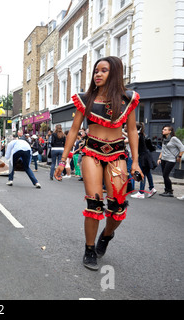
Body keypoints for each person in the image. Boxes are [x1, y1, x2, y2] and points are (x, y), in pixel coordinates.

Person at [54, 56, 142, 271]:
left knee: (118, 207)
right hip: (91, 152)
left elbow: (131, 131)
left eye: (103, 70)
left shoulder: (127, 100)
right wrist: (63, 160)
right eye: (96, 71)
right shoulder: (86, 99)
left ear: (115, 73)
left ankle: (106, 235)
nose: (98, 74)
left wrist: (136, 162)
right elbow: (74, 130)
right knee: (94, 203)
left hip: (117, 154)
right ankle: (90, 249)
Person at [131, 122, 156, 199]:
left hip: (143, 156)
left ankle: (141, 192)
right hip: (147, 155)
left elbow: (129, 140)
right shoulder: (142, 134)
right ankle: (152, 188)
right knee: (147, 173)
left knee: (142, 173)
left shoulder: (137, 135)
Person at [157, 125, 184, 197]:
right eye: (163, 129)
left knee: (166, 175)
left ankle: (170, 192)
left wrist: (179, 156)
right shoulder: (164, 139)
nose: (163, 130)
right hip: (163, 159)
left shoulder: (173, 139)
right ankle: (166, 190)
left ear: (170, 131)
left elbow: (182, 147)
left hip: (171, 159)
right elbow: (163, 150)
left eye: (165, 129)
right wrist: (159, 158)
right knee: (164, 175)